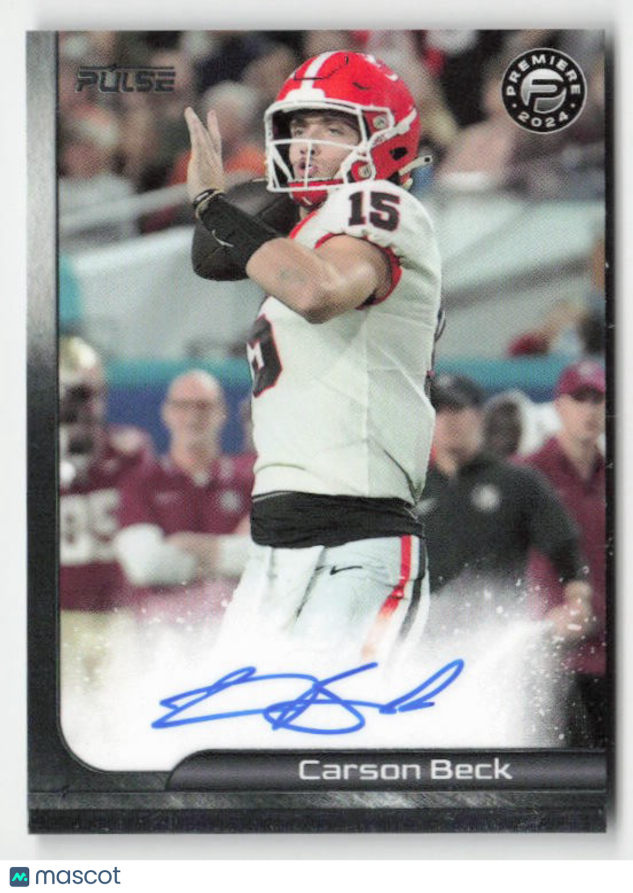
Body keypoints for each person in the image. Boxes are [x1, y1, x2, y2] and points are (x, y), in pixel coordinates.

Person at [184, 51, 442, 664]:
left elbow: (317, 292)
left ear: (388, 140)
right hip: (276, 546)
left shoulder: (385, 206)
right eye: (299, 128)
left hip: (356, 538)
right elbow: (216, 259)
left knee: (320, 718)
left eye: (333, 127)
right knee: (224, 721)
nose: (307, 144)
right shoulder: (310, 232)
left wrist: (214, 204)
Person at [419, 374, 593, 642]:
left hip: (496, 632)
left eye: (457, 409)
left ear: (479, 414)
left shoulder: (517, 481)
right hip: (424, 637)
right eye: (438, 410)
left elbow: (567, 554)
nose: (447, 420)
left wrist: (577, 604)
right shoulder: (412, 489)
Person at [115, 370, 253, 636]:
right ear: (166, 412)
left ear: (222, 412)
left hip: (234, 631)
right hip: (161, 635)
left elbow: (268, 558)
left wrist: (195, 546)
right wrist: (227, 555)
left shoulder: (249, 479)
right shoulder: (141, 481)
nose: (192, 417)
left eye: (203, 406)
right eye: (182, 406)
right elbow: (147, 566)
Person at [59, 336, 153, 690]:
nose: (88, 405)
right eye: (76, 395)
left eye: (93, 393)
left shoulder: (127, 451)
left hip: (118, 612)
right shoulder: (28, 455)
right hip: (56, 612)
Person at [525, 361, 607, 746]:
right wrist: (543, 616)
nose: (590, 410)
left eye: (598, 399)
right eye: (580, 398)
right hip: (550, 660)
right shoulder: (527, 475)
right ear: (559, 405)